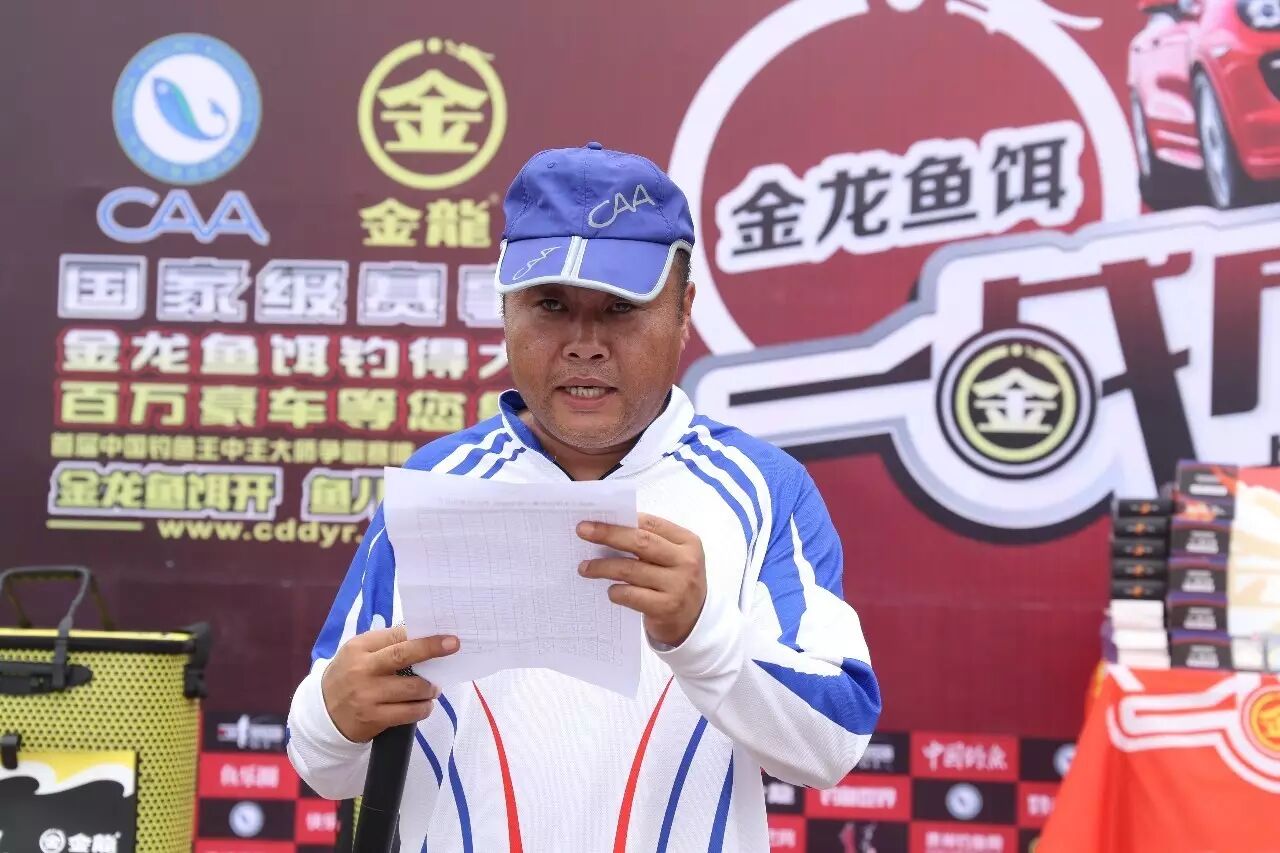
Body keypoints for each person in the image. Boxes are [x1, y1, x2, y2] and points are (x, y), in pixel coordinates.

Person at [287, 141, 881, 852]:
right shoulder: (438, 481)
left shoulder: (763, 487)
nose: (584, 344)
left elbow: (834, 744)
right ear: (506, 310)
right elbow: (325, 764)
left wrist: (703, 633)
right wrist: (336, 714)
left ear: (683, 310)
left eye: (621, 307)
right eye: (551, 304)